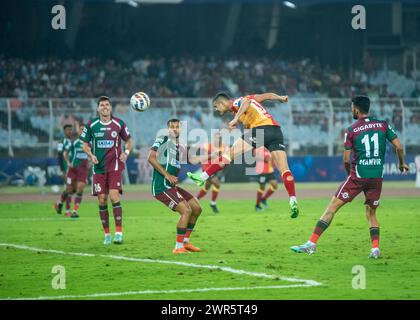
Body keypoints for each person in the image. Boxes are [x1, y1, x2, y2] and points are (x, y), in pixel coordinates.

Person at [291, 95, 409, 258]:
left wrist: (349, 176)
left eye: (352, 107)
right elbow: (399, 146)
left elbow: (346, 159)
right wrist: (401, 163)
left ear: (356, 109)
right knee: (371, 213)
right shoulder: (383, 125)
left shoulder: (352, 130)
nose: (351, 110)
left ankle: (311, 244)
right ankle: (375, 249)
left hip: (358, 175)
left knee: (332, 207)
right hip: (377, 176)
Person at [187, 92, 299, 218]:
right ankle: (293, 199)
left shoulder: (237, 102)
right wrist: (280, 98)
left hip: (261, 130)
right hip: (276, 131)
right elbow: (267, 95)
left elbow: (246, 102)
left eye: (216, 107)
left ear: (221, 103)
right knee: (285, 170)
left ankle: (202, 177)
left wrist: (235, 119)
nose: (217, 110)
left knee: (228, 155)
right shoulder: (247, 105)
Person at [80, 96, 133, 245]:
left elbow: (129, 141)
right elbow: (84, 144)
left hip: (115, 166)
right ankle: (107, 235)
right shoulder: (91, 125)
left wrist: (126, 153)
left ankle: (119, 233)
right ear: (98, 109)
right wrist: (90, 155)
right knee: (102, 200)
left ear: (111, 108)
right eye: (102, 105)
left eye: (107, 105)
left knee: (114, 196)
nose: (105, 107)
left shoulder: (119, 124)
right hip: (98, 168)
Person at [148, 119, 203, 254]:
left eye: (177, 127)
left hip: (171, 186)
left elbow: (192, 160)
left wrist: (214, 156)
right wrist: (167, 175)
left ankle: (185, 242)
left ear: (181, 129)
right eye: (172, 127)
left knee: (196, 208)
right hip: (162, 186)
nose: (174, 129)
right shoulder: (163, 140)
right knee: (186, 211)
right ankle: (178, 247)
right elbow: (151, 158)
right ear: (168, 129)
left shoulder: (180, 147)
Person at [196, 132, 228, 213]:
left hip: (216, 169)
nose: (218, 139)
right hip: (207, 169)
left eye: (219, 138)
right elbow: (203, 158)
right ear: (213, 138)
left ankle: (195, 200)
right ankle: (213, 203)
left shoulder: (224, 147)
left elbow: (227, 158)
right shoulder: (207, 146)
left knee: (207, 186)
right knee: (217, 184)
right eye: (216, 138)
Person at [63, 124, 90, 218]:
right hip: (73, 169)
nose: (82, 131)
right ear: (78, 132)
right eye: (81, 130)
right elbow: (65, 153)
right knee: (69, 189)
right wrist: (68, 162)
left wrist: (90, 162)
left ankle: (74, 211)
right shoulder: (74, 142)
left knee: (80, 188)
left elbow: (93, 155)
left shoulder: (90, 143)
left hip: (83, 170)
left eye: (84, 130)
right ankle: (66, 210)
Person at [54, 124, 73, 215]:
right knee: (69, 188)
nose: (70, 131)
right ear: (64, 131)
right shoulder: (61, 142)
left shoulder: (71, 142)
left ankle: (59, 203)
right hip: (66, 169)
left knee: (70, 189)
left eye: (71, 130)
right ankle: (67, 210)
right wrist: (62, 170)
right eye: (68, 130)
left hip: (72, 169)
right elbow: (59, 155)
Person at [254, 146, 278, 211]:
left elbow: (272, 158)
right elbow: (255, 156)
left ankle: (263, 199)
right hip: (262, 171)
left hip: (270, 171)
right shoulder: (259, 148)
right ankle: (257, 206)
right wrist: (265, 159)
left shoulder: (270, 148)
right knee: (262, 187)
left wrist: (274, 164)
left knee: (275, 185)